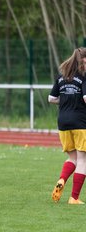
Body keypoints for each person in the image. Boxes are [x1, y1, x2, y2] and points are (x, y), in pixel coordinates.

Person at [49, 47, 86, 204]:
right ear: (82, 61)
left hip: (63, 123)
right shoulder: (83, 77)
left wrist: (64, 101)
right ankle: (74, 198)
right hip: (80, 122)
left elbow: (51, 98)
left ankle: (61, 181)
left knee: (72, 158)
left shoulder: (61, 76)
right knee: (83, 160)